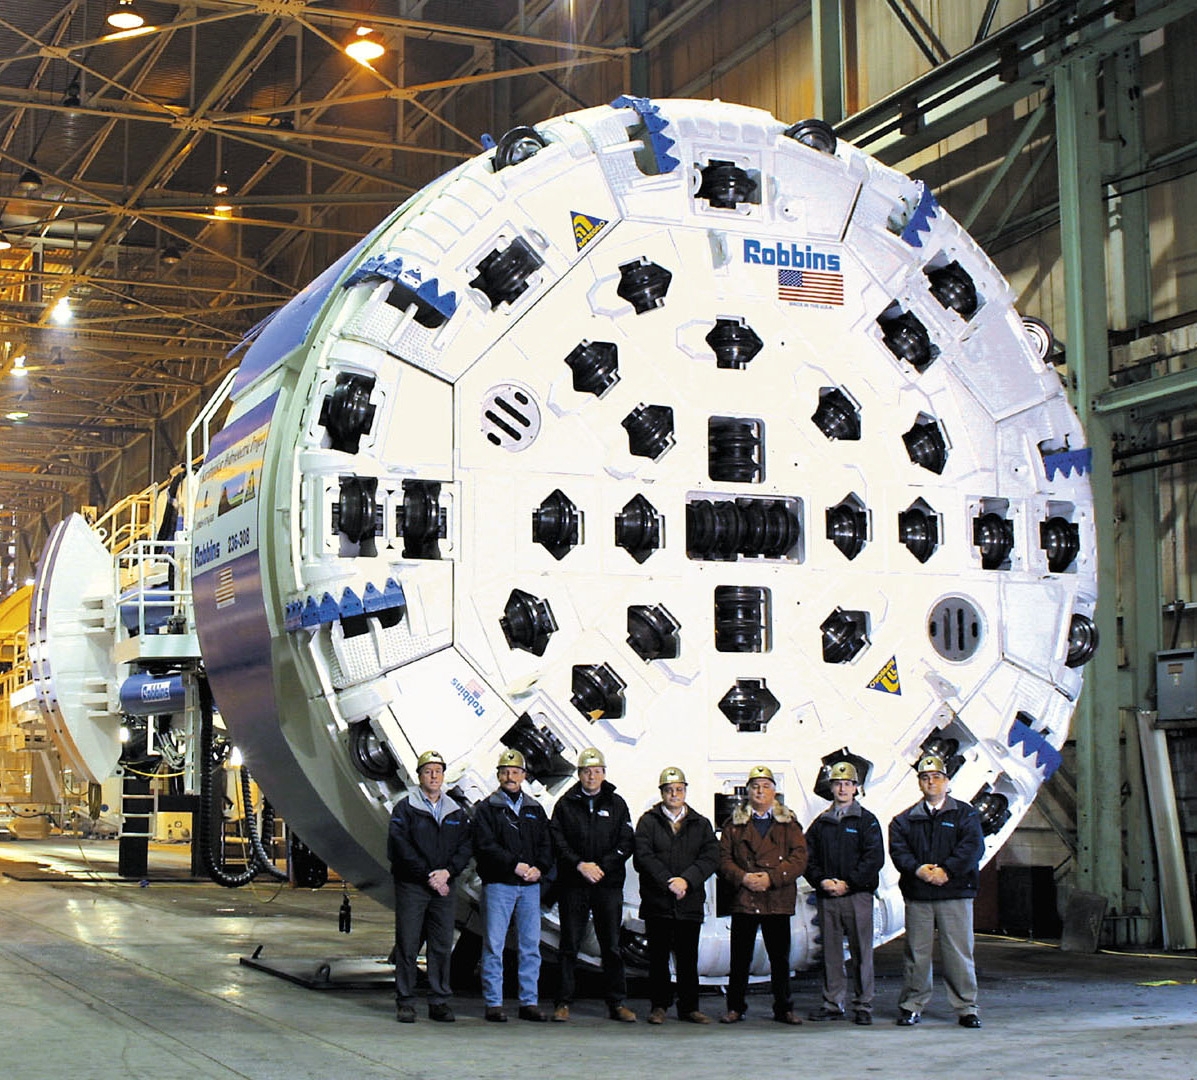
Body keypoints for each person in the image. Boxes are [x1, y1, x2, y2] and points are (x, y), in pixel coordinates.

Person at [888, 752, 985, 1028]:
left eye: (937, 777)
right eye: (925, 778)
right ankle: (912, 1005)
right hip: (919, 895)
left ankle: (966, 1007)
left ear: (947, 781)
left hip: (955, 894)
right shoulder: (904, 820)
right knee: (916, 954)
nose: (931, 782)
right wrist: (919, 870)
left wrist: (947, 871)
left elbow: (972, 848)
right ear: (919, 783)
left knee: (958, 953)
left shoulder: (965, 814)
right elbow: (899, 851)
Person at [549, 747, 637, 1023]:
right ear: (579, 774)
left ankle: (617, 1003)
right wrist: (579, 865)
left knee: (611, 946)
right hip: (573, 884)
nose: (591, 776)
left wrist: (603, 867)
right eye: (587, 771)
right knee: (569, 945)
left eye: (596, 771)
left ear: (604, 774)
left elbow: (626, 841)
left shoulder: (617, 804)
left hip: (607, 885)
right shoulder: (565, 804)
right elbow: (557, 840)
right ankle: (563, 1002)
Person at [386, 749, 473, 1023]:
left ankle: (439, 1001)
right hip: (413, 886)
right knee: (408, 944)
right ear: (419, 776)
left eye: (437, 771)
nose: (433, 776)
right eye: (428, 771)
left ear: (443, 775)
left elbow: (465, 846)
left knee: (441, 945)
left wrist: (447, 873)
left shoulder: (455, 811)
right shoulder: (405, 808)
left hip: (444, 887)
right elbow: (400, 847)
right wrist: (429, 876)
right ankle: (405, 1001)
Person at [717, 764, 807, 1025]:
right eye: (755, 786)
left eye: (765, 786)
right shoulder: (734, 825)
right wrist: (743, 877)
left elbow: (799, 858)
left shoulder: (789, 825)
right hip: (745, 898)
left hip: (776, 898)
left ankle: (784, 1008)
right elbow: (723, 859)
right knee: (740, 959)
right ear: (748, 791)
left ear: (774, 791)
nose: (760, 791)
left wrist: (771, 878)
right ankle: (735, 1007)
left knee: (780, 960)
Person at [472, 748, 554, 1022]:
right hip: (499, 885)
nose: (510, 776)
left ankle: (529, 1002)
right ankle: (493, 1003)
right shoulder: (487, 808)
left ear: (524, 775)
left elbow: (546, 844)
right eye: (505, 772)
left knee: (530, 947)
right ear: (498, 775)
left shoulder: (534, 809)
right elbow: (485, 845)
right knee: (494, 946)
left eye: (515, 772)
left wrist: (539, 868)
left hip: (530, 887)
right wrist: (513, 865)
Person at [634, 766, 720, 1025]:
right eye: (669, 790)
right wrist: (668, 882)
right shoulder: (648, 822)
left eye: (679, 789)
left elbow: (711, 857)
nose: (674, 794)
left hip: (688, 902)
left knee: (688, 958)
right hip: (657, 902)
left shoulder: (700, 824)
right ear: (662, 793)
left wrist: (687, 881)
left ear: (685, 791)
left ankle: (689, 1008)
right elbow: (643, 856)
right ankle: (659, 1006)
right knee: (658, 958)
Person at [803, 760, 885, 1026]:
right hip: (828, 896)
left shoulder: (867, 821)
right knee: (831, 953)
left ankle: (863, 1005)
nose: (842, 789)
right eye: (838, 784)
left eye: (847, 784)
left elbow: (874, 858)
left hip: (857, 896)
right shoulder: (821, 823)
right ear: (831, 788)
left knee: (862, 952)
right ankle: (832, 1004)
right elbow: (807, 857)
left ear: (855, 788)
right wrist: (822, 881)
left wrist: (848, 883)